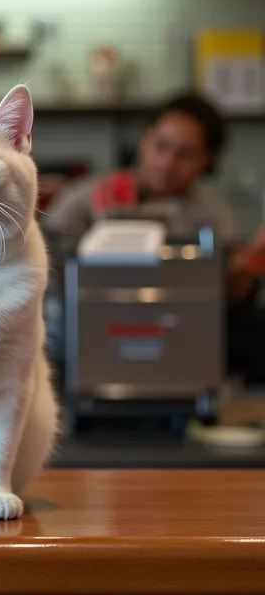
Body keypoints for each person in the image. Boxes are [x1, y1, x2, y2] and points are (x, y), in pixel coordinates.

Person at [45, 92, 265, 380]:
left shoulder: (213, 215)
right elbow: (43, 259)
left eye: (184, 154)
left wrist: (252, 261)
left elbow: (226, 296)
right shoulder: (86, 198)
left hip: (177, 346)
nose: (167, 162)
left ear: (207, 160)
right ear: (144, 139)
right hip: (88, 343)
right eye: (161, 146)